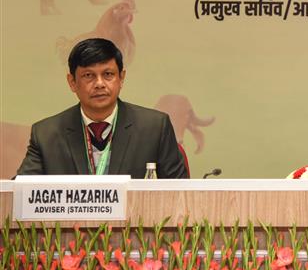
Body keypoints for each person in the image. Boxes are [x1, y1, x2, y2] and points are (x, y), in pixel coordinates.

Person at [16, 38, 188, 179]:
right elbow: (18, 196)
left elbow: (181, 196)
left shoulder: (155, 128)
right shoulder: (46, 135)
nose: (99, 84)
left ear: (121, 78)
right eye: (88, 75)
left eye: (108, 74)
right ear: (72, 82)